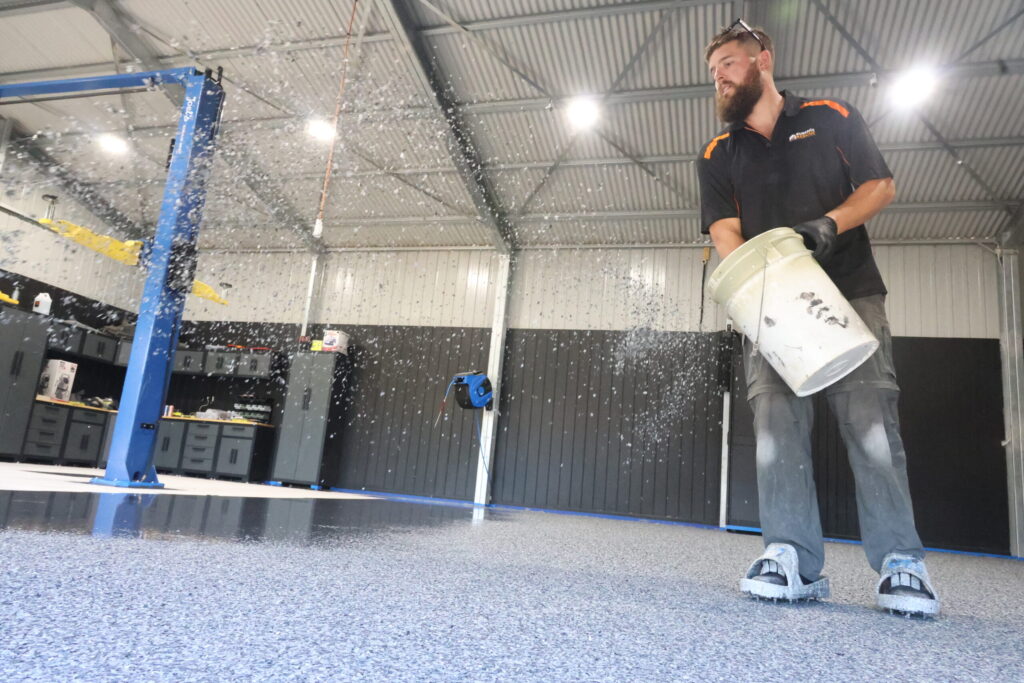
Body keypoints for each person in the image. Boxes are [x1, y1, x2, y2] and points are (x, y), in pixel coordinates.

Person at [697, 20, 940, 617]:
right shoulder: (718, 152)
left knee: (871, 426)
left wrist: (828, 223)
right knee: (777, 428)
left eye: (729, 63)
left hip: (850, 292)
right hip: (770, 307)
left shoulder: (831, 116)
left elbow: (879, 187)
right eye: (714, 71)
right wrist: (758, 278)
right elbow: (725, 230)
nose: (720, 77)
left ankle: (901, 564)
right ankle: (790, 558)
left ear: (763, 61)